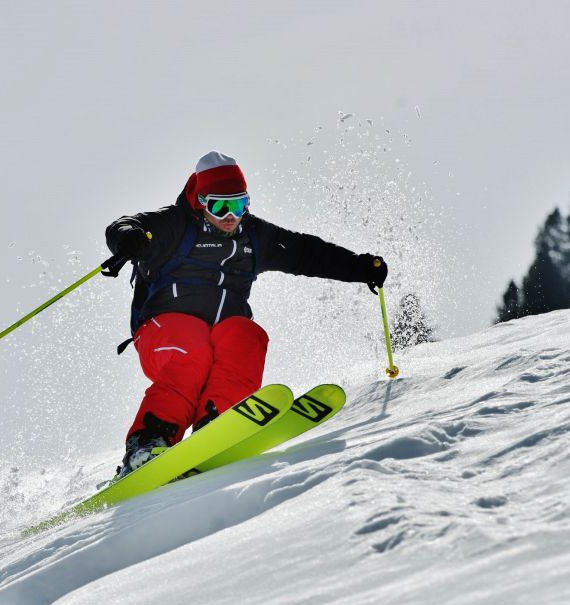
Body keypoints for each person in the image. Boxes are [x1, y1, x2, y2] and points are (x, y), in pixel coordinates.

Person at [105, 151, 388, 478]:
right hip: (163, 332)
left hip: (218, 336)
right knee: (192, 348)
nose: (230, 216)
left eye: (238, 205)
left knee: (245, 335)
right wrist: (129, 237)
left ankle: (219, 423)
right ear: (200, 202)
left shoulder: (255, 237)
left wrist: (359, 267)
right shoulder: (174, 225)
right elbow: (126, 226)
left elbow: (307, 254)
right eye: (219, 206)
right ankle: (146, 443)